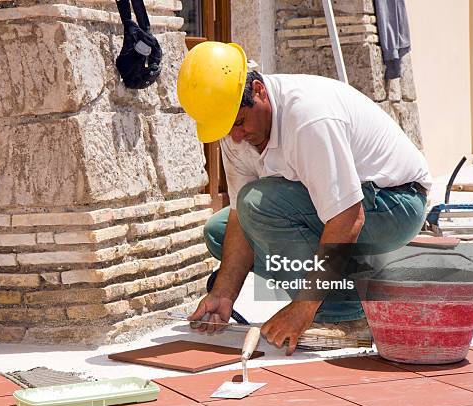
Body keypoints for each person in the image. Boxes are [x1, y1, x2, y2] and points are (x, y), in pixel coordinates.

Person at [176, 41, 431, 355]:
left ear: (258, 91)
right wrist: (224, 293)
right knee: (220, 231)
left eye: (239, 123)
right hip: (347, 209)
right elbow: (239, 219)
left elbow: (348, 217)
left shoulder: (309, 118)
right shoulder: (236, 133)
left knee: (259, 203)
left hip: (396, 203)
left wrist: (303, 307)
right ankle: (357, 279)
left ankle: (346, 315)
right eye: (227, 129)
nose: (236, 137)